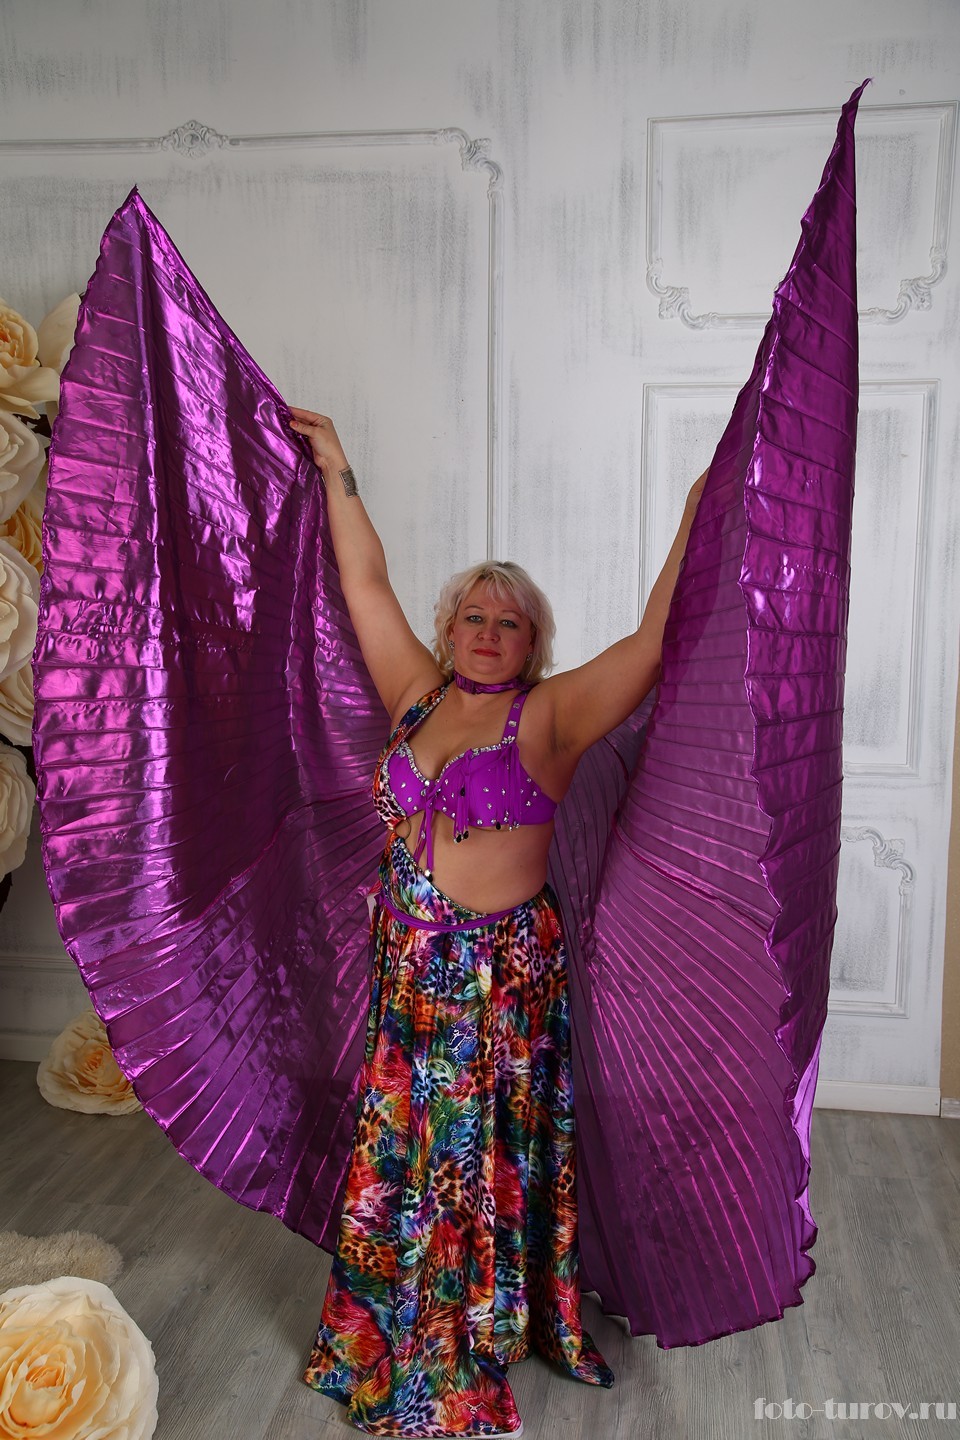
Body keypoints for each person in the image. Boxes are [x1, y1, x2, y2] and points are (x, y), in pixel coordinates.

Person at [287, 408, 706, 1440]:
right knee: (402, 1150)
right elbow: (365, 583)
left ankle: (460, 1340)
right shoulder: (417, 700)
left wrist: (702, 507)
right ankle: (384, 1321)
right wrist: (338, 468)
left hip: (496, 976)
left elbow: (654, 643)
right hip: (406, 964)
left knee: (470, 1160)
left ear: (533, 642)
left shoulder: (552, 715)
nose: (486, 631)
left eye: (508, 621)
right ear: (448, 630)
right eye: (472, 615)